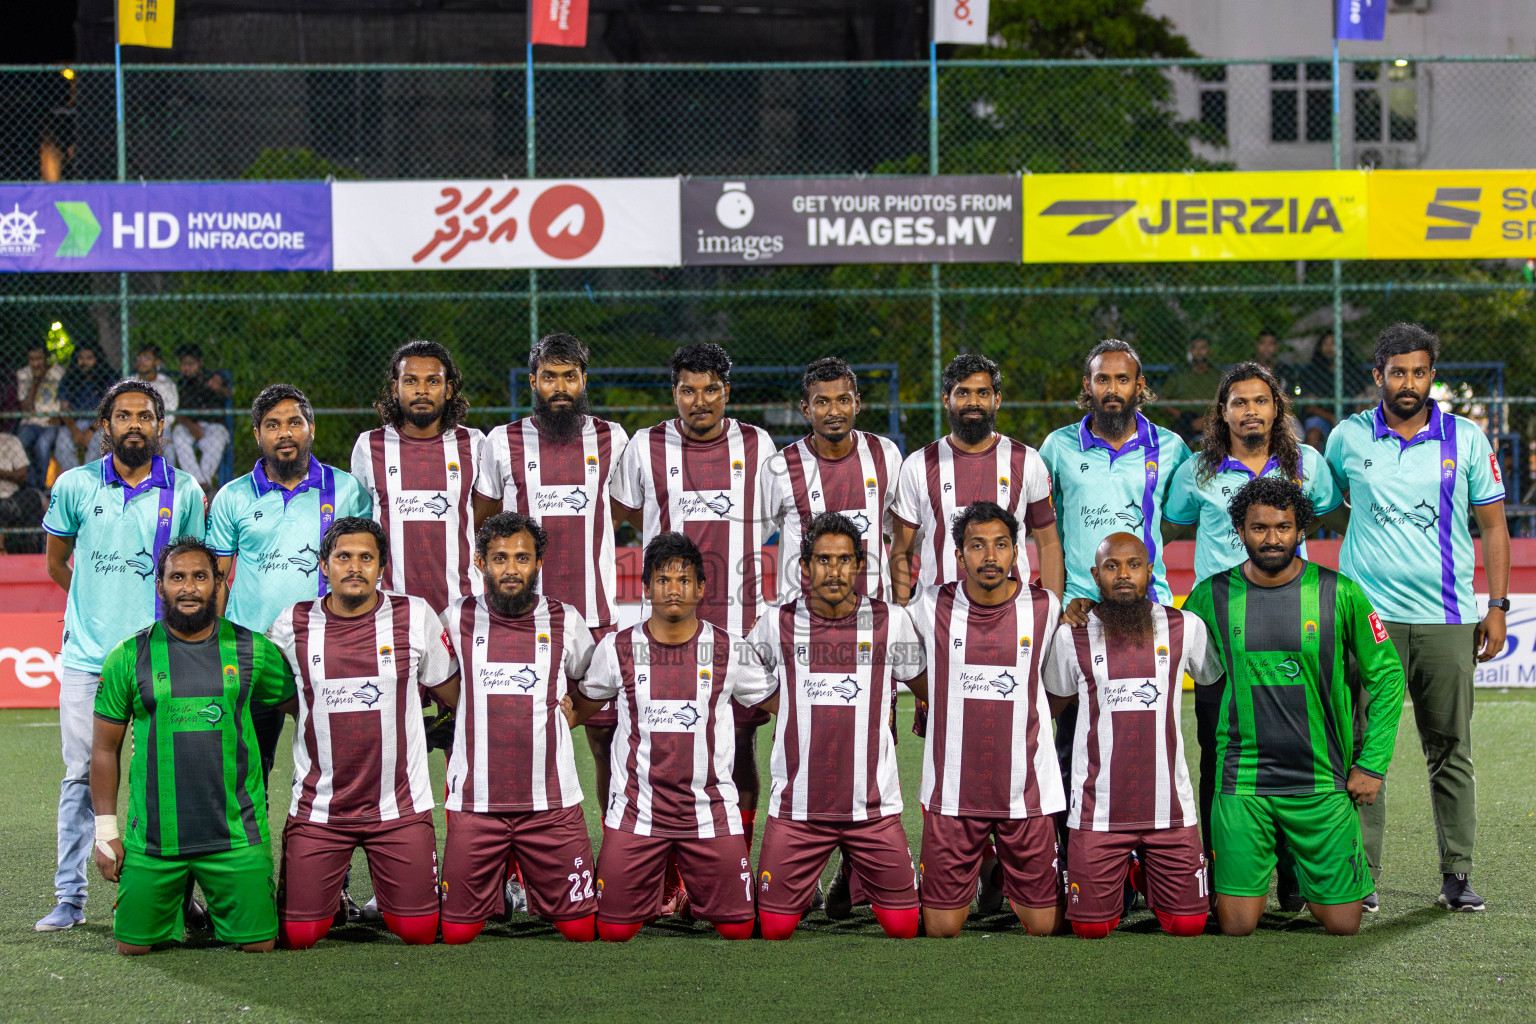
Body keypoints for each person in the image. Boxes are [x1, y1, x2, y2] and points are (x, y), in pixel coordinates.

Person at [1324, 322, 1509, 912]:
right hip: (1368, 617)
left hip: (1447, 616)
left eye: (1420, 372)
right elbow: (1327, 509)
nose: (1409, 383)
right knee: (1360, 746)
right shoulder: (1347, 437)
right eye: (1397, 372)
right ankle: (1361, 876)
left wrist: (1497, 606)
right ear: (1378, 376)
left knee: (1450, 746)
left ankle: (1457, 874)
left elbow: (1494, 526)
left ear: (1433, 374)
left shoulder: (1467, 438)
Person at [1184, 477, 1405, 936]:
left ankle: (1307, 874)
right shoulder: (1209, 596)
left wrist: (1373, 764)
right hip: (1244, 781)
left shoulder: (1340, 592)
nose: (1271, 538)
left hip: (1321, 778)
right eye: (1259, 528)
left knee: (1344, 925)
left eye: (1283, 527)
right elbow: (1158, 639)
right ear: (1240, 531)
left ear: (1301, 530)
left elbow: (1388, 676)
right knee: (1237, 925)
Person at [1162, 362, 1347, 908]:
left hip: (1295, 624)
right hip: (1219, 629)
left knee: (1297, 746)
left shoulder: (1307, 464)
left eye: (1260, 401)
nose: (1250, 411)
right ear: (1223, 411)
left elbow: (1335, 519)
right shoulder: (1198, 470)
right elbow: (1168, 530)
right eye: (1238, 402)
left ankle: (1295, 875)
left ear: (1276, 408)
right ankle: (1221, 870)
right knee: (1219, 750)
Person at [34, 380, 206, 932]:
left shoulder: (185, 491)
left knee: (168, 778)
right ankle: (69, 896)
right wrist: (94, 613)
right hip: (88, 660)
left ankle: (178, 895)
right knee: (81, 776)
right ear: (105, 426)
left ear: (162, 425)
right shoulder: (75, 485)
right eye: (124, 416)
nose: (135, 425)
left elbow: (193, 579)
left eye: (146, 416)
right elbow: (57, 564)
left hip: (161, 659)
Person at [611, 343, 777, 885]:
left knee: (740, 746)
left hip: (741, 622)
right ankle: (664, 873)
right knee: (664, 741)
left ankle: (736, 865)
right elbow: (624, 510)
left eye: (710, 390)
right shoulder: (646, 445)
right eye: (688, 390)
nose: (699, 401)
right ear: (674, 393)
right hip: (668, 624)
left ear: (727, 392)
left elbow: (776, 515)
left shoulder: (757, 443)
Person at [89, 537, 296, 955]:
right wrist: (105, 832)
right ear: (160, 586)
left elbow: (307, 714)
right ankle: (185, 906)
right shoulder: (129, 655)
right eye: (177, 577)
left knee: (259, 946)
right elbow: (103, 749)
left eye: (200, 577)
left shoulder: (254, 650)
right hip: (154, 843)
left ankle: (211, 903)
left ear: (218, 583)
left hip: (236, 837)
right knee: (133, 948)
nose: (188, 587)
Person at [566, 532, 775, 942]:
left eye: (683, 580)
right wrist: (556, 710)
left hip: (710, 811)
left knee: (738, 929)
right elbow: (585, 704)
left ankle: (694, 894)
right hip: (637, 813)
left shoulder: (730, 649)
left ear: (700, 588)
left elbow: (780, 703)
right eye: (662, 580)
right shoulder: (617, 648)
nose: (673, 589)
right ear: (645, 588)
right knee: (612, 930)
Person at [265, 518, 459, 950]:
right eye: (343, 557)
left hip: (399, 806)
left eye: (366, 558)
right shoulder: (292, 622)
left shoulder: (413, 614)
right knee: (298, 937)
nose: (354, 567)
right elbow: (274, 692)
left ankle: (392, 898)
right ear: (324, 565)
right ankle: (327, 897)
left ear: (381, 566)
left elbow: (451, 691)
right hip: (321, 809)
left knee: (419, 932)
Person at [746, 512, 927, 941]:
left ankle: (853, 873)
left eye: (845, 560)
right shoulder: (778, 622)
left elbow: (918, 678)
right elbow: (745, 673)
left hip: (872, 808)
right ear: (804, 566)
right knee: (773, 929)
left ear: (860, 565)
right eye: (823, 560)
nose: (835, 570)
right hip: (798, 807)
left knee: (904, 928)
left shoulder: (890, 620)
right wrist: (789, 704)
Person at [473, 332, 627, 821]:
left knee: (610, 742)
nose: (559, 386)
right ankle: (514, 868)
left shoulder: (613, 437)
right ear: (533, 381)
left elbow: (622, 509)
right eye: (548, 376)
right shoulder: (502, 441)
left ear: (583, 379)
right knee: (514, 743)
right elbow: (487, 519)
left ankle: (617, 854)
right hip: (522, 621)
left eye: (569, 376)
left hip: (597, 618)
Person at [1043, 533, 1220, 940]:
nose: (1123, 575)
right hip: (1098, 811)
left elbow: (1213, 682)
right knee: (1091, 928)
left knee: (1189, 926)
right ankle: (1126, 869)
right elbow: (1050, 705)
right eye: (1111, 566)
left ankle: (1144, 875)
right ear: (1095, 575)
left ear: (1149, 571)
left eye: (1133, 565)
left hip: (1170, 809)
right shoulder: (1072, 636)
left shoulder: (1185, 627)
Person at [906, 502, 1065, 939]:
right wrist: (942, 698)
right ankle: (981, 873)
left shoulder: (1048, 608)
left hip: (1025, 792)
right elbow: (903, 665)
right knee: (940, 929)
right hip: (953, 793)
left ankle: (997, 875)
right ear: (959, 556)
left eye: (1000, 545)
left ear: (1017, 552)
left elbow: (1061, 685)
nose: (990, 557)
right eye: (977, 546)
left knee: (1045, 927)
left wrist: (1027, 716)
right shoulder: (929, 605)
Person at [438, 513, 599, 944]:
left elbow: (594, 680)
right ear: (479, 562)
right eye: (500, 558)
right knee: (455, 934)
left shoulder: (566, 620)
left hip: (551, 799)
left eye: (523, 558)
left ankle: (529, 889)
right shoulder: (456, 617)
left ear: (539, 562)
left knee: (582, 930)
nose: (511, 569)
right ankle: (500, 896)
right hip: (476, 800)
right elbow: (438, 678)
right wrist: (471, 708)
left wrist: (573, 713)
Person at [208, 382, 371, 788]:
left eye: (294, 422)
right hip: (251, 652)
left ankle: (329, 845)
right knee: (247, 772)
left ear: (311, 428)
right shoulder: (233, 497)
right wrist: (210, 645)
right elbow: (217, 578)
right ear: (257, 434)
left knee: (334, 768)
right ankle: (251, 849)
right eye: (273, 424)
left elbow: (364, 573)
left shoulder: (346, 489)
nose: (285, 433)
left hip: (326, 649)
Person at [889, 353, 1062, 606]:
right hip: (937, 614)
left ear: (997, 399)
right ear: (947, 400)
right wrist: (902, 612)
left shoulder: (1026, 460)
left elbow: (1048, 545)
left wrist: (1053, 610)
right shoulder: (918, 464)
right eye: (963, 393)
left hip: (1012, 613)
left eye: (983, 393)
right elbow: (901, 550)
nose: (973, 402)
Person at [1040, 340, 1191, 616]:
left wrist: (1151, 537)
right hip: (1078, 606)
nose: (1112, 390)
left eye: (1122, 379)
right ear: (1088, 385)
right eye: (1102, 380)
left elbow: (1184, 512)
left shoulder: (1170, 446)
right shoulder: (1058, 445)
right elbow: (1038, 519)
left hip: (1151, 600)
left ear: (1139, 385)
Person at [352, 340, 484, 615]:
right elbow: (364, 521)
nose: (422, 390)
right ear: (395, 388)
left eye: (433, 381)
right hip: (390, 605)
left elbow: (487, 515)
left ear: (448, 390)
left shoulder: (474, 443)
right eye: (411, 381)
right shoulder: (369, 445)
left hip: (462, 605)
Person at [762, 358, 905, 606]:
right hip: (803, 622)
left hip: (872, 617)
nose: (834, 411)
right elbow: (753, 536)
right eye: (822, 402)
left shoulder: (885, 454)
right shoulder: (781, 466)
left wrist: (901, 605)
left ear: (857, 403)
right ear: (806, 409)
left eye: (843, 399)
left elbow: (902, 532)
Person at [170, 345, 233, 490]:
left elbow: (228, 394)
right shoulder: (180, 384)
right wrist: (190, 425)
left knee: (217, 439)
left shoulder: (213, 378)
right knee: (178, 434)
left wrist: (220, 388)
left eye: (191, 363)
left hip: (214, 425)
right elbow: (175, 413)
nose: (187, 368)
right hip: (190, 425)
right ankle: (202, 484)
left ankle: (197, 487)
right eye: (183, 364)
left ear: (200, 364)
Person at [1296, 331, 1373, 449]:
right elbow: (1310, 406)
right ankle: (1313, 466)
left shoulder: (1353, 370)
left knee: (1355, 437)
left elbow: (1361, 401)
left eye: (1333, 343)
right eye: (1325, 344)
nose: (1329, 348)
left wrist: (1357, 423)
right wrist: (1332, 418)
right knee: (1313, 434)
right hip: (1322, 416)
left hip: (1348, 415)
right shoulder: (1312, 371)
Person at [55, 344, 117, 473]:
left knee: (99, 443)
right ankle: (75, 482)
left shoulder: (108, 378)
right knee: (62, 444)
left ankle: (90, 482)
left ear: (97, 359)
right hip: (74, 423)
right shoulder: (69, 379)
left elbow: (111, 410)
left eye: (89, 358)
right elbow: (64, 408)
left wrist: (91, 430)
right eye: (80, 358)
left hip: (100, 424)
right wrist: (74, 430)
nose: (84, 362)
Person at [16, 343, 65, 490]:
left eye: (39, 359)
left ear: (46, 358)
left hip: (51, 421)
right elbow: (25, 408)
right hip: (30, 421)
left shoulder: (59, 372)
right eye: (32, 359)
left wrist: (61, 418)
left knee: (42, 446)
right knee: (21, 444)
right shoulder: (23, 374)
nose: (36, 363)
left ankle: (42, 485)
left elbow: (65, 398)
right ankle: (32, 486)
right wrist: (36, 381)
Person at [1158, 335, 1222, 443]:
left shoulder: (1217, 375)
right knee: (1178, 433)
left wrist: (1207, 420)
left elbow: (1226, 401)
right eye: (1195, 348)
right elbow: (1163, 399)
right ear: (1190, 351)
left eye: (1202, 348)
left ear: (1209, 351)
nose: (1198, 352)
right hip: (1186, 419)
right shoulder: (1180, 374)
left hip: (1211, 418)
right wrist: (1180, 416)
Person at [0, 426, 44, 552]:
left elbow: (22, 475)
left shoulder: (10, 441)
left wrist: (2, 473)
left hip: (11, 495)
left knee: (35, 497)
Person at [133, 345, 180, 440]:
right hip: (133, 428)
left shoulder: (167, 384)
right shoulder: (129, 382)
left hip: (160, 429)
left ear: (157, 361)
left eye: (146, 358)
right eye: (139, 357)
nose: (141, 361)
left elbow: (171, 412)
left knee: (168, 448)